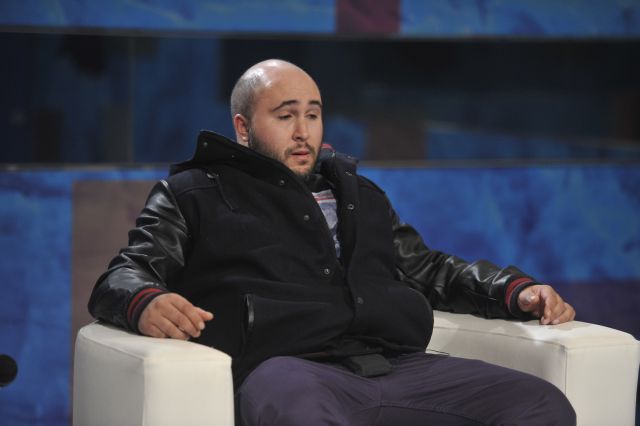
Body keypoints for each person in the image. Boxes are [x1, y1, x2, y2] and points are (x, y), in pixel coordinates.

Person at [89, 59, 576, 425]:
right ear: (243, 128)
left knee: (540, 403)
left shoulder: (361, 196)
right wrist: (143, 301)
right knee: (299, 410)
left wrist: (513, 290)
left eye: (313, 114)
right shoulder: (193, 194)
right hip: (288, 369)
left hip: (396, 364)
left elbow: (428, 269)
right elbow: (124, 274)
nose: (303, 132)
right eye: (285, 116)